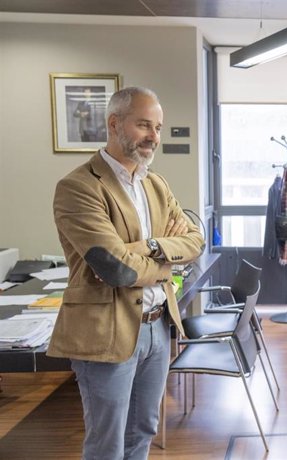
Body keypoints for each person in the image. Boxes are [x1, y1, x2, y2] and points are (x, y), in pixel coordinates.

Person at [48, 86, 205, 460]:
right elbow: (116, 269)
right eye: (144, 125)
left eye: (159, 127)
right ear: (114, 124)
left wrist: (148, 248)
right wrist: (166, 258)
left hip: (157, 326)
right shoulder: (79, 187)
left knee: (143, 431)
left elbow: (195, 243)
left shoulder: (155, 182)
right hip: (107, 330)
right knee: (108, 443)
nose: (154, 136)